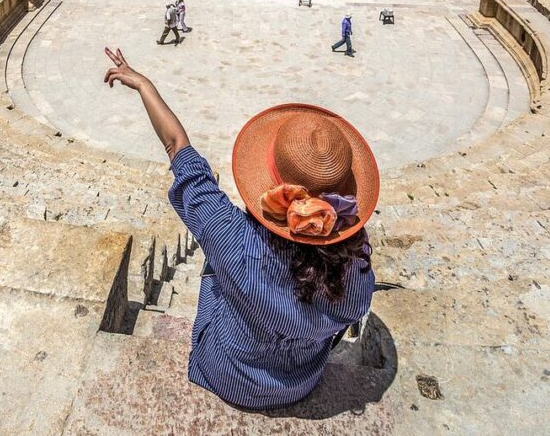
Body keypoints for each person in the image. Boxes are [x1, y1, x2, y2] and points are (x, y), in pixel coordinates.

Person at [103, 47, 377, 410]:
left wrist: (143, 85)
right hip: (300, 382)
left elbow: (177, 148)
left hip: (225, 372)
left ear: (271, 186)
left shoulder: (232, 237)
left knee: (216, 257)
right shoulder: (358, 269)